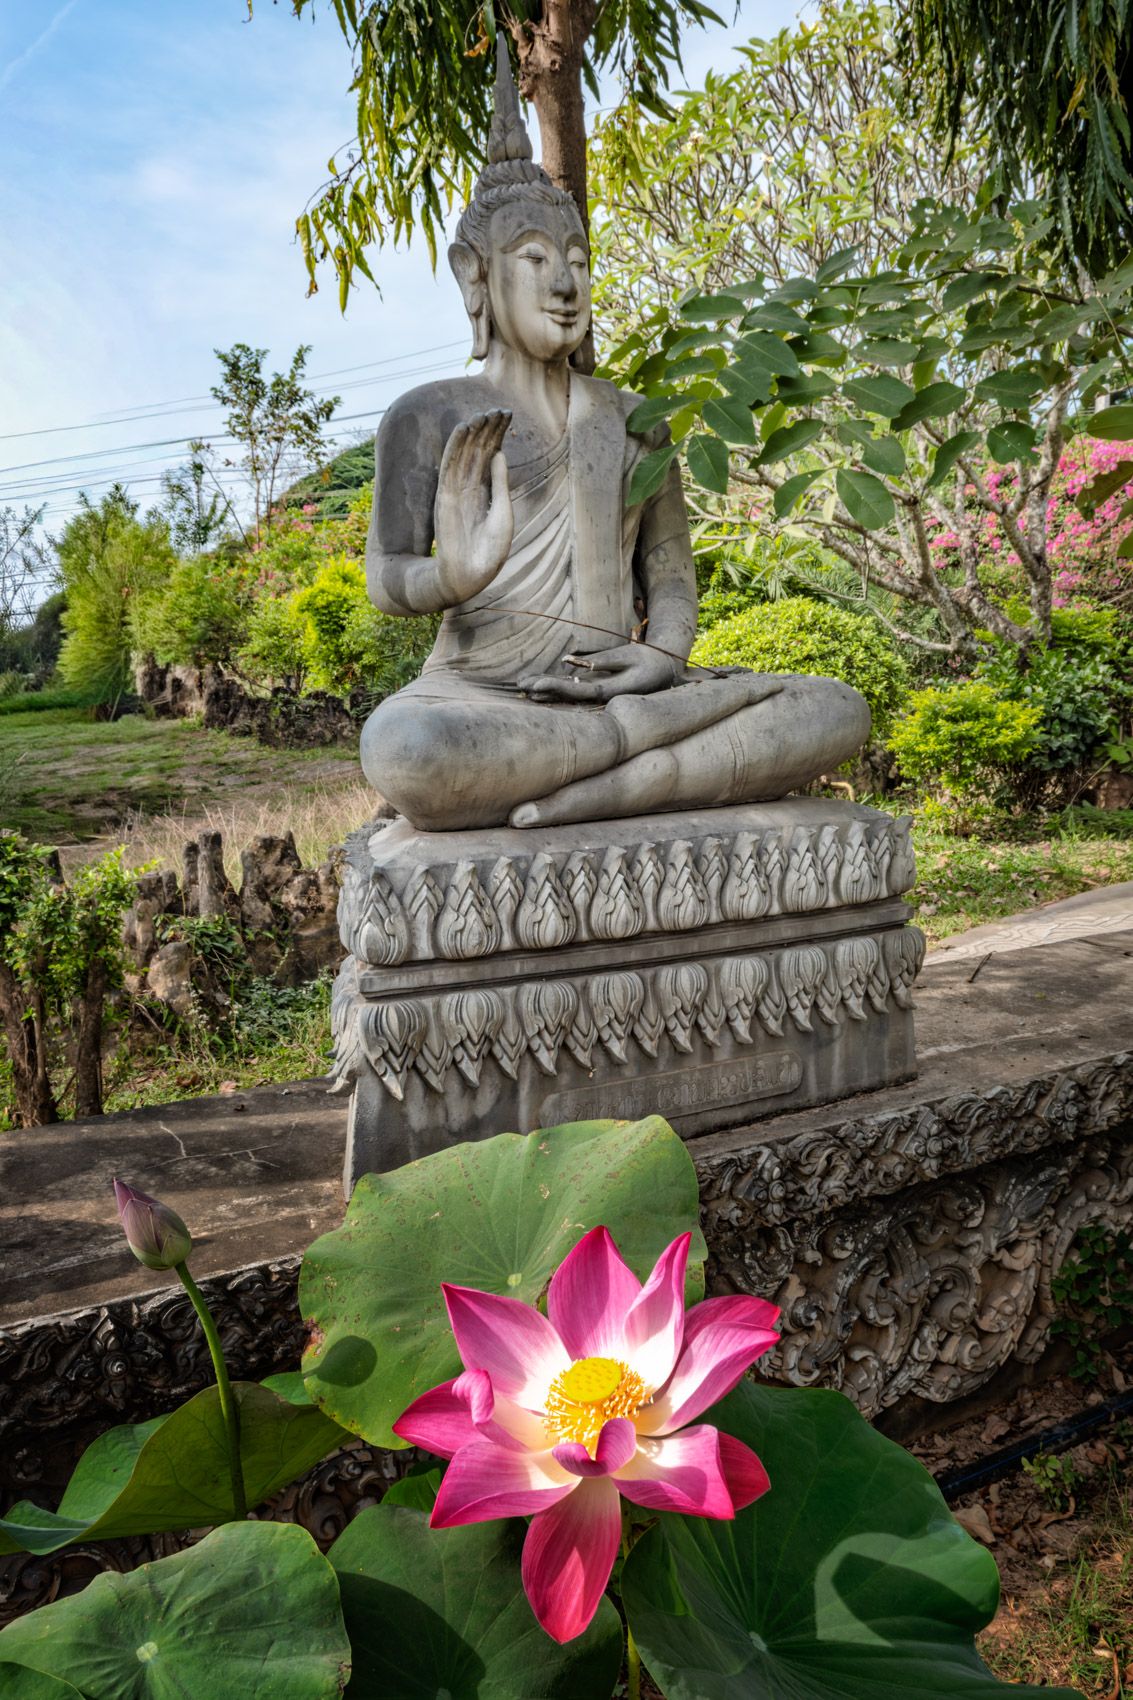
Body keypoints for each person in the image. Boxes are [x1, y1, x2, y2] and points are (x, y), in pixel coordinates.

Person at [360, 39, 869, 832]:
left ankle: (610, 782)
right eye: (533, 258)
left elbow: (669, 576)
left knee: (835, 708)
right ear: (474, 275)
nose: (565, 284)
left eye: (577, 259)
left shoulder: (635, 416)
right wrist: (448, 580)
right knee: (409, 747)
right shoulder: (427, 414)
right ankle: (643, 768)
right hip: (487, 699)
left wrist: (661, 658)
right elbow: (386, 576)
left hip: (633, 699)